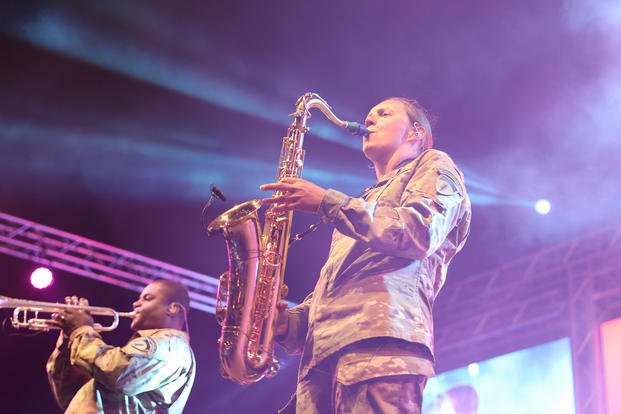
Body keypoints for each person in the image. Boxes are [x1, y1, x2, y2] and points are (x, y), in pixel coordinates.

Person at [260, 97, 471, 413]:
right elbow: (335, 295)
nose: (369, 120)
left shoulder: (435, 164)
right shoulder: (362, 203)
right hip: (322, 363)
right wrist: (288, 323)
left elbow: (419, 231)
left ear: (416, 134)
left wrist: (328, 202)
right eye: (369, 115)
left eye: (383, 114)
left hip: (381, 348)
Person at [46, 279, 196, 414]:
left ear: (173, 308)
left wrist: (82, 331)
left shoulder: (171, 347)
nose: (136, 303)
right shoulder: (143, 349)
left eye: (147, 298)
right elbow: (67, 395)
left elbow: (117, 374)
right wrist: (69, 338)